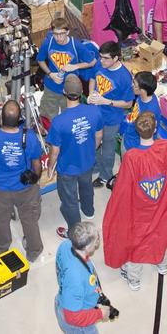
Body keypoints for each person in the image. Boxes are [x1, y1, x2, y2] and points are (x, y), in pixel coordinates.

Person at [102, 110, 167, 291]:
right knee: (160, 236)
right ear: (155, 129)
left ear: (136, 130)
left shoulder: (131, 158)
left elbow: (122, 190)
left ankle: (134, 280)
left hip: (139, 213)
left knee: (135, 245)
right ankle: (162, 265)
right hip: (162, 208)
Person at [0, 99, 45, 261]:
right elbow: (37, 166)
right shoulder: (29, 136)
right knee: (29, 220)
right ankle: (34, 251)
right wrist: (34, 181)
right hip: (25, 188)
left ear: (0, 118)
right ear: (20, 119)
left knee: (1, 220)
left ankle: (1, 250)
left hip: (1, 189)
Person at [48, 76, 103, 238]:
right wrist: (90, 150)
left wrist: (51, 167)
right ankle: (88, 210)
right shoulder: (94, 111)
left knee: (69, 199)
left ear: (64, 92)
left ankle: (75, 231)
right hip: (87, 161)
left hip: (67, 168)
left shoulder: (58, 122)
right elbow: (99, 136)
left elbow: (55, 151)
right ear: (81, 93)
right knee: (86, 185)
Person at [54, 220, 115, 334]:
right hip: (78, 324)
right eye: (96, 240)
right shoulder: (76, 278)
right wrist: (100, 313)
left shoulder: (66, 245)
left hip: (69, 300)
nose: (98, 242)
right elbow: (73, 317)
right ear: (87, 246)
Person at [88, 41, 134, 186]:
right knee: (92, 141)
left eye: (106, 58)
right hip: (95, 112)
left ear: (116, 58)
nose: (101, 60)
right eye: (100, 57)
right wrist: (90, 94)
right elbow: (92, 78)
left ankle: (105, 175)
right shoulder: (100, 64)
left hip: (111, 118)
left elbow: (128, 103)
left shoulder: (125, 77)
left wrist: (107, 101)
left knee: (108, 149)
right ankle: (95, 166)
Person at [37, 17, 98, 120]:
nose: (59, 37)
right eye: (56, 34)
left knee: (69, 117)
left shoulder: (75, 45)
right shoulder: (48, 43)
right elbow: (40, 60)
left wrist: (75, 66)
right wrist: (50, 74)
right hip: (51, 87)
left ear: (68, 32)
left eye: (62, 34)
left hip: (70, 90)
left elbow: (93, 61)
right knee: (48, 116)